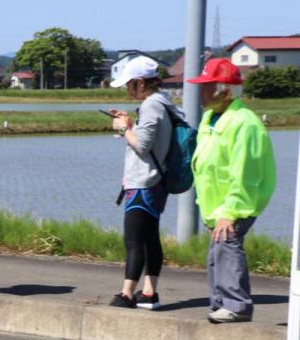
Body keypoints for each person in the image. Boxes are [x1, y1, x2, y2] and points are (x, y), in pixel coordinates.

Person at [187, 58, 276, 323]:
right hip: (216, 204)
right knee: (218, 250)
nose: (200, 93)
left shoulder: (244, 123)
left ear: (225, 91)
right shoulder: (210, 118)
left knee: (228, 244)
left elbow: (245, 173)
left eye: (207, 87)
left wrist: (231, 211)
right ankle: (221, 303)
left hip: (237, 203)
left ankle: (237, 306)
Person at [107, 55, 177, 310]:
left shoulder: (150, 106)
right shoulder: (163, 102)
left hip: (143, 183)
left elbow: (142, 145)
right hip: (156, 181)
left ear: (140, 82)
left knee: (134, 239)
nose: (127, 89)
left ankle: (126, 294)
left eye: (129, 84)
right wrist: (129, 125)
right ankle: (149, 293)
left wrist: (125, 128)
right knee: (149, 238)